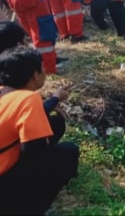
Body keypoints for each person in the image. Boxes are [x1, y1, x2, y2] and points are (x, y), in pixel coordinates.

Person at [0, 47, 79, 215]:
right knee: (69, 152)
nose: (45, 71)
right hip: (4, 180)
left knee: (55, 123)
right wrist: (44, 142)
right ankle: (33, 205)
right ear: (35, 75)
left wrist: (53, 100)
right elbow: (32, 153)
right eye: (42, 67)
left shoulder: (4, 91)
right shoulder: (28, 98)